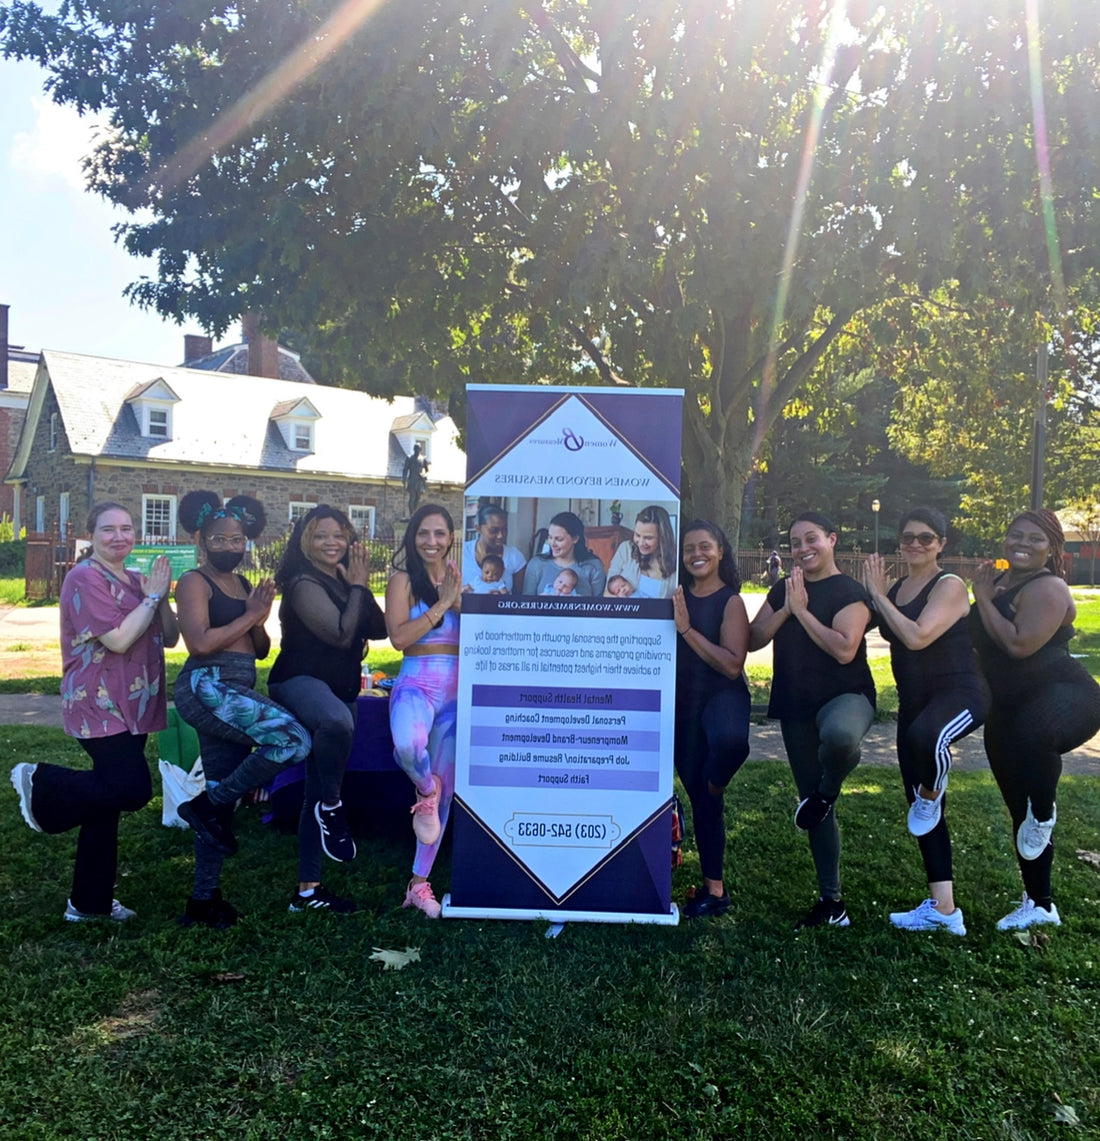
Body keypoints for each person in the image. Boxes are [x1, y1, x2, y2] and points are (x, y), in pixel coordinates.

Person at [10, 502, 179, 922]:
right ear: (91, 535)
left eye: (126, 528)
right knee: (133, 789)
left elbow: (171, 638)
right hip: (98, 700)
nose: (119, 536)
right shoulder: (83, 578)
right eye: (108, 529)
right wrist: (153, 595)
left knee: (106, 802)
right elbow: (118, 641)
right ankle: (42, 784)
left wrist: (161, 595)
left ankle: (89, 903)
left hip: (136, 701)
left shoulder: (140, 581)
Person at [172, 491, 312, 924]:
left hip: (234, 688)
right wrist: (249, 616)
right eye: (220, 540)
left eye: (237, 541)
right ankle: (207, 804)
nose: (230, 548)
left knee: (218, 810)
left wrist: (260, 617)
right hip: (207, 687)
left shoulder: (245, 585)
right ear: (202, 540)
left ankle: (202, 898)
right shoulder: (195, 581)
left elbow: (261, 649)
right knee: (293, 740)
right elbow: (198, 643)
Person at [971, 509, 1100, 931]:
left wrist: (984, 599)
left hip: (1063, 695)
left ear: (1053, 548)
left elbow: (1018, 645)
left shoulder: (1048, 586)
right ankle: (1039, 903)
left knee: (1034, 742)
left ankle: (1045, 811)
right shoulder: (1003, 581)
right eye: (1015, 535)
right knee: (1018, 808)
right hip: (1007, 705)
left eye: (1034, 538)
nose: (1022, 544)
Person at [862, 508, 987, 936]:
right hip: (914, 703)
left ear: (942, 544)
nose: (915, 543)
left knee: (928, 740)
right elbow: (864, 625)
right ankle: (944, 909)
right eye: (908, 536)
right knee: (924, 809)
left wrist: (878, 596)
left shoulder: (949, 585)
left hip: (960, 696)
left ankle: (934, 789)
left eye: (926, 537)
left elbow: (916, 636)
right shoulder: (897, 587)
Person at [748, 511, 875, 929]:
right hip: (794, 705)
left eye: (811, 539)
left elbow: (843, 649)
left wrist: (802, 612)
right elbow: (753, 639)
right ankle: (831, 901)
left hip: (845, 696)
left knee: (840, 739)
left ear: (832, 539)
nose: (803, 549)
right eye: (795, 542)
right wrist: (788, 607)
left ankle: (827, 789)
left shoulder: (849, 591)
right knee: (817, 809)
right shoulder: (784, 588)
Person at [268, 505, 388, 914]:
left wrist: (359, 583)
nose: (331, 542)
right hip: (299, 682)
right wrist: (357, 586)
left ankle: (307, 891)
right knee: (336, 727)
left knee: (315, 793)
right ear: (306, 540)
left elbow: (378, 627)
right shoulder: (303, 583)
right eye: (321, 535)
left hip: (342, 689)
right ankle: (334, 809)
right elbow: (340, 635)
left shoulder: (343, 578)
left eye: (338, 534)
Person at [385, 504, 462, 918]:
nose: (431, 541)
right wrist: (442, 605)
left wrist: (458, 598)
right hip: (417, 682)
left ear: (451, 537)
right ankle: (424, 790)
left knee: (446, 790)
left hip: (456, 687)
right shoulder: (401, 580)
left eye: (439, 534)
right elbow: (398, 638)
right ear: (412, 538)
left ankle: (419, 884)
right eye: (423, 533)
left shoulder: (458, 578)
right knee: (410, 747)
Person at [672, 521, 751, 919]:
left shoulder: (730, 601)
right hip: (681, 708)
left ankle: (716, 783)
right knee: (701, 800)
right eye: (689, 548)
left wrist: (685, 630)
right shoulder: (675, 594)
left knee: (730, 746)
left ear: (721, 552)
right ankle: (714, 891)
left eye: (705, 546)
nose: (696, 554)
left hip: (721, 698)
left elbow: (733, 665)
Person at [521, 511, 606, 596]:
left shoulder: (593, 566)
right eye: (550, 537)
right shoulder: (537, 564)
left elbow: (601, 605)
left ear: (575, 539)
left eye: (559, 539)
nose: (552, 544)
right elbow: (526, 604)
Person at [605, 505, 677, 598]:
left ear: (663, 538)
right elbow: (607, 593)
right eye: (637, 535)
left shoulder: (676, 559)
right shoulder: (626, 549)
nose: (641, 543)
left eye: (648, 538)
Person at [462, 504, 526, 591]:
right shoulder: (463, 552)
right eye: (493, 531)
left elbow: (518, 598)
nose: (500, 535)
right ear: (478, 528)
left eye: (504, 529)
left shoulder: (515, 557)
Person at [402, 443, 429, 515]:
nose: (417, 450)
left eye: (418, 449)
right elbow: (405, 469)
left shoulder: (423, 459)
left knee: (417, 498)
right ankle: (411, 513)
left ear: (420, 450)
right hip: (412, 481)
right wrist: (404, 478)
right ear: (414, 449)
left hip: (419, 481)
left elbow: (427, 470)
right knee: (412, 497)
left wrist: (424, 475)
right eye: (415, 449)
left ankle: (415, 513)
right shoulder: (410, 458)